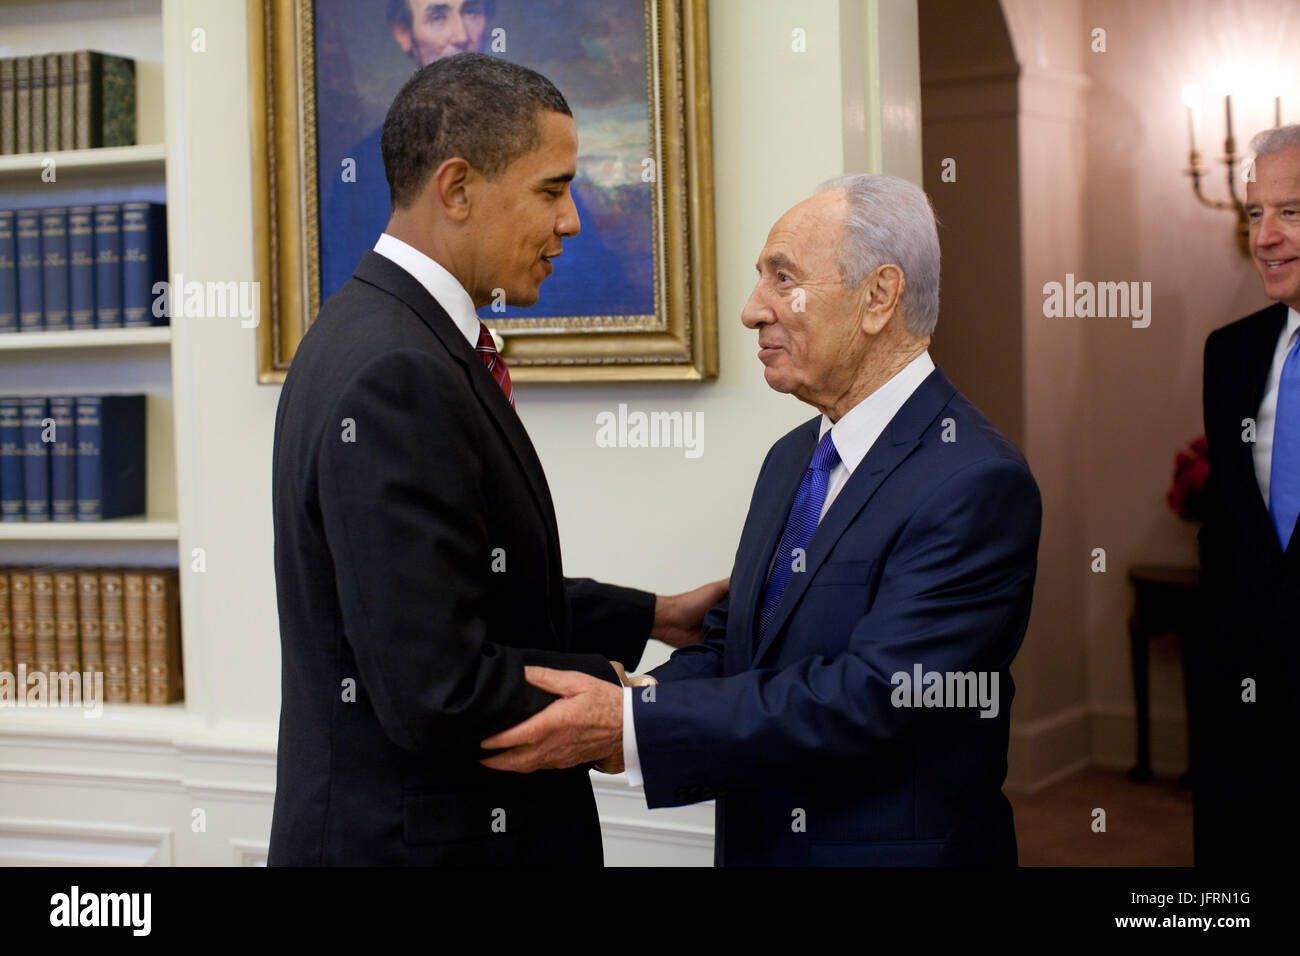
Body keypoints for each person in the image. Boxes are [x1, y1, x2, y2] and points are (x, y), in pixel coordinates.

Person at [481, 174, 1043, 866]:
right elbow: (737, 650)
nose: (752, 310)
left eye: (784, 279)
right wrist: (638, 695)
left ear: (878, 297)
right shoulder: (792, 459)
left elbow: (872, 697)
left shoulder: (974, 481)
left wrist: (630, 725)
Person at [270, 52, 725, 866]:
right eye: (552, 189)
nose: (574, 220)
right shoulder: (397, 372)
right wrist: (626, 701)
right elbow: (435, 690)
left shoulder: (375, 331)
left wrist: (651, 614)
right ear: (457, 188)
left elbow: (459, 585)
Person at [319, 0, 639, 314]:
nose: (460, 34)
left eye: (471, 11)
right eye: (438, 16)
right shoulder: (359, 175)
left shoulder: (538, 152)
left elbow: (603, 287)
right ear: (404, 33)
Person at [1195, 123, 1300, 867]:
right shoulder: (1228, 354)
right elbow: (1226, 536)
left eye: (1291, 211)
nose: (1265, 237)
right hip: (1248, 716)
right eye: (1254, 214)